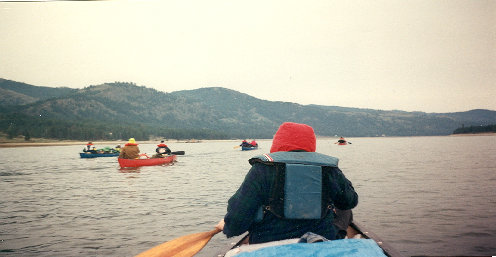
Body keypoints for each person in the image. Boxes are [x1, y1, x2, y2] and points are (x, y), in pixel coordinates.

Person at [216, 122, 358, 244]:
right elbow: (350, 201)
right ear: (311, 144)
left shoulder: (261, 169)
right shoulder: (328, 169)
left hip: (268, 241)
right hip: (320, 239)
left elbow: (237, 223)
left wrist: (228, 226)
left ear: (277, 142)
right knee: (344, 209)